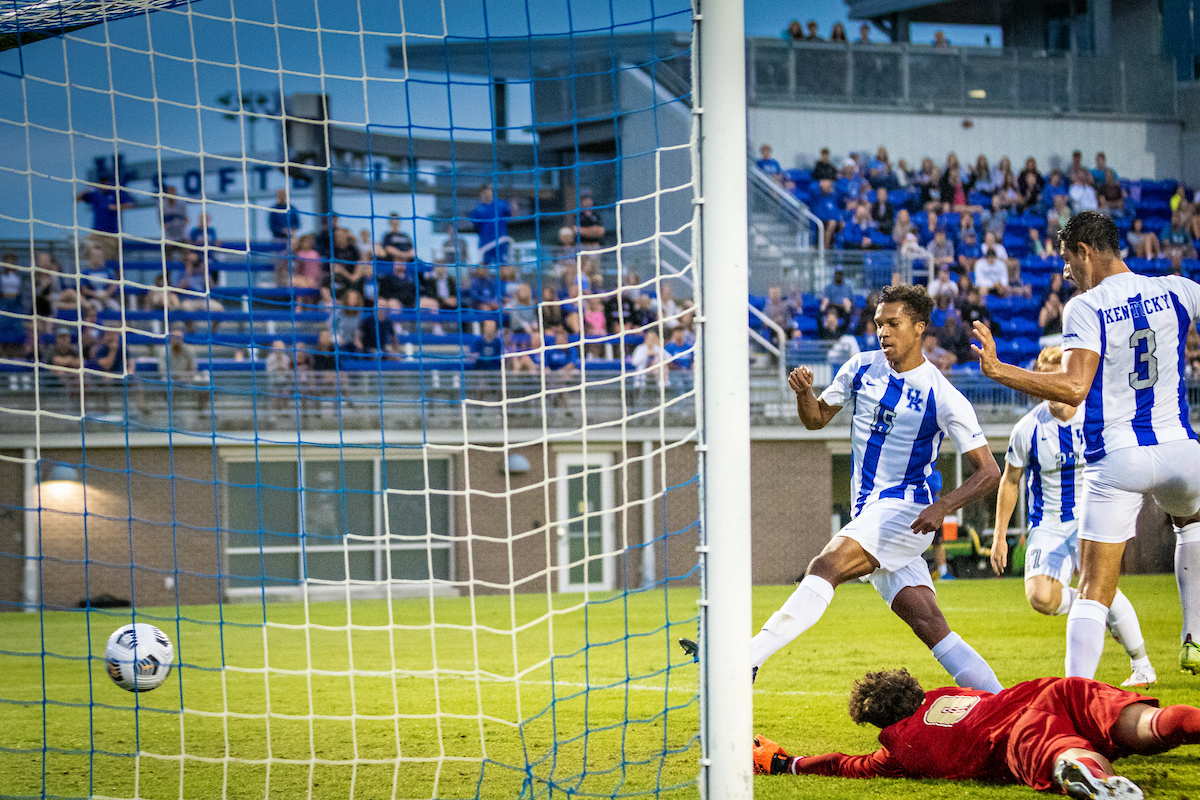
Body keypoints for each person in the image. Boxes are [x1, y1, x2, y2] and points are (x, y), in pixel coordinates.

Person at [971, 211, 1200, 677]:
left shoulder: (1086, 306)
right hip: (1182, 449)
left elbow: (1074, 387)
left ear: (1086, 252)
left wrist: (1000, 371)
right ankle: (1192, 636)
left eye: (1067, 260)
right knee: (1191, 525)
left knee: (1094, 588)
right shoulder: (1179, 288)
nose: (1065, 272)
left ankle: (1076, 697)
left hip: (1119, 457)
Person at [751, 285, 1002, 692]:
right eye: (879, 323)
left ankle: (748, 658)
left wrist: (943, 507)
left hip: (906, 511)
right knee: (931, 625)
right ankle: (1002, 703)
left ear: (919, 328)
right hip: (869, 513)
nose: (883, 332)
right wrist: (805, 394)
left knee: (824, 567)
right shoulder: (860, 368)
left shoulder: (943, 395)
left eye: (893, 323)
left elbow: (989, 471)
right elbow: (815, 420)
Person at [752, 669, 1200, 800]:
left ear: (878, 723)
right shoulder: (947, 693)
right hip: (1050, 690)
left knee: (1066, 754)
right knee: (1149, 726)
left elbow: (846, 766)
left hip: (1017, 733)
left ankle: (1094, 781)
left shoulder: (899, 748)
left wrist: (785, 762)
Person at [991, 346, 1156, 687]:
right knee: (1041, 597)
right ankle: (1097, 605)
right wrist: (999, 536)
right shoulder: (1027, 429)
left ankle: (1142, 666)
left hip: (1093, 518)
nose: (1050, 384)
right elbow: (1009, 481)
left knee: (1099, 588)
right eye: (1044, 378)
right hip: (1048, 523)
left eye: (1057, 377)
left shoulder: (1095, 417)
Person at [76, 173, 133, 261]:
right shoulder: (96, 195)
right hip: (97, 231)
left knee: (112, 257)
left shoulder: (115, 193)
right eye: (102, 183)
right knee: (89, 252)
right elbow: (77, 199)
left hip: (111, 233)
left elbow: (130, 204)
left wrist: (116, 207)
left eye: (105, 183)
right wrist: (87, 189)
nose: (104, 185)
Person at [471, 183, 512, 265]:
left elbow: (511, 216)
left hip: (500, 243)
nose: (487, 193)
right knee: (485, 269)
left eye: (488, 190)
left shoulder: (501, 204)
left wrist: (514, 207)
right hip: (486, 245)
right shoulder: (478, 210)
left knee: (503, 267)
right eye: (484, 191)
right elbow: (476, 226)